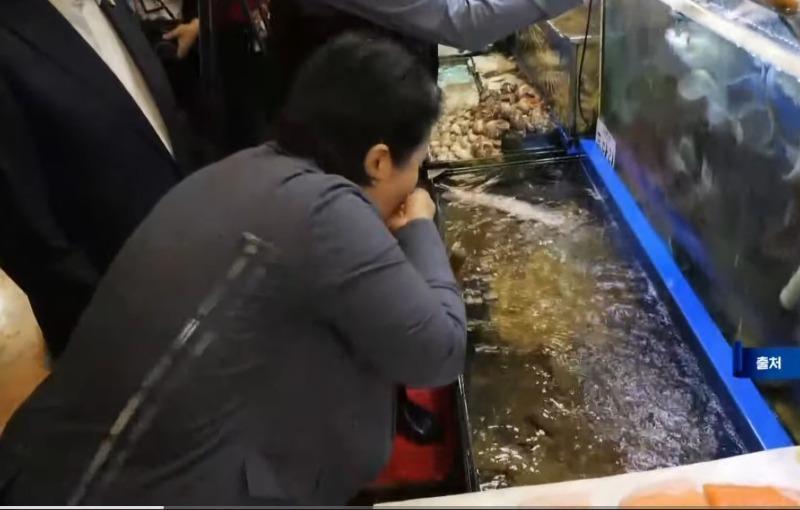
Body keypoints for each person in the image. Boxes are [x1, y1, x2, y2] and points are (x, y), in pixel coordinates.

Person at [0, 33, 467, 506]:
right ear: (380, 160)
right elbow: (438, 352)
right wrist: (419, 227)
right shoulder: (324, 211)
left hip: (53, 467)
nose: (415, 180)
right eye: (418, 163)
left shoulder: (247, 168)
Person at [0, 0, 194, 358]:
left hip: (199, 279)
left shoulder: (110, 7)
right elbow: (29, 237)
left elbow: (158, 131)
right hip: (122, 337)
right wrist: (119, 326)